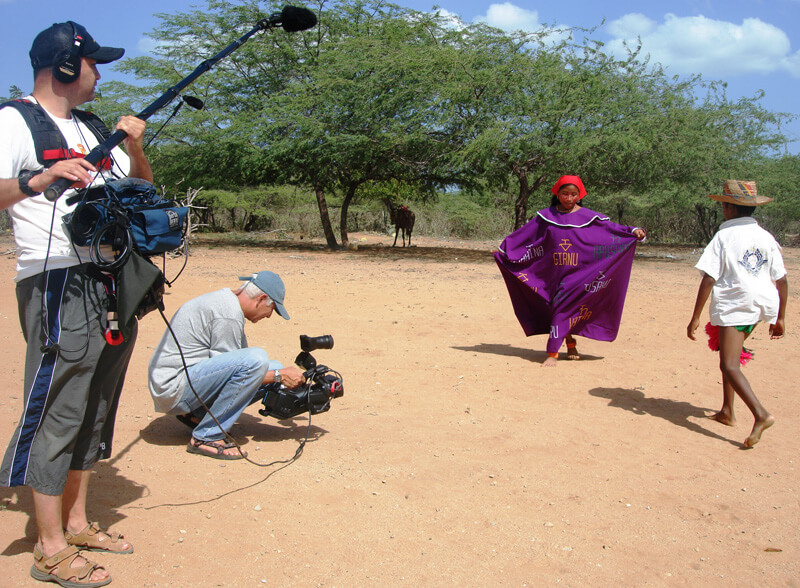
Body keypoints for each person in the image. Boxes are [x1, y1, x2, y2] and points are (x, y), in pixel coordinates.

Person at [0, 21, 152, 588]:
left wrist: (134, 148)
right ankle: (49, 546)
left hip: (110, 276)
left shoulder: (92, 127)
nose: (99, 76)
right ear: (66, 65)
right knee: (60, 407)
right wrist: (42, 178)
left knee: (96, 404)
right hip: (56, 279)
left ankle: (77, 522)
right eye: (94, 64)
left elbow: (143, 190)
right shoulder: (14, 120)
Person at [148, 271, 305, 460]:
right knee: (259, 361)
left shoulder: (228, 303)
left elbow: (238, 370)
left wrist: (276, 374)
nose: (270, 315)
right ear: (261, 298)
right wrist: (279, 376)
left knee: (271, 366)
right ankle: (207, 437)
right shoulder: (228, 314)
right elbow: (241, 373)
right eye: (272, 308)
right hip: (173, 389)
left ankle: (197, 414)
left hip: (183, 380)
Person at [494, 175, 646, 366]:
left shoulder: (591, 217)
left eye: (574, 194)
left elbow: (612, 230)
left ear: (580, 195)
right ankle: (571, 343)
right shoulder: (545, 217)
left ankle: (552, 353)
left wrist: (633, 231)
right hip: (552, 272)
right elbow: (525, 235)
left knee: (563, 307)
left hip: (581, 273)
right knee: (558, 308)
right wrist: (504, 251)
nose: (569, 198)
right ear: (557, 194)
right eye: (565, 194)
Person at [687, 180, 787, 449]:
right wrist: (780, 317)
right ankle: (727, 411)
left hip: (736, 304)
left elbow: (709, 277)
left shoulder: (724, 236)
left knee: (730, 364)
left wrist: (695, 317)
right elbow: (782, 279)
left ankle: (761, 414)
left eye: (723, 205)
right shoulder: (766, 237)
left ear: (729, 208)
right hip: (762, 304)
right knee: (729, 356)